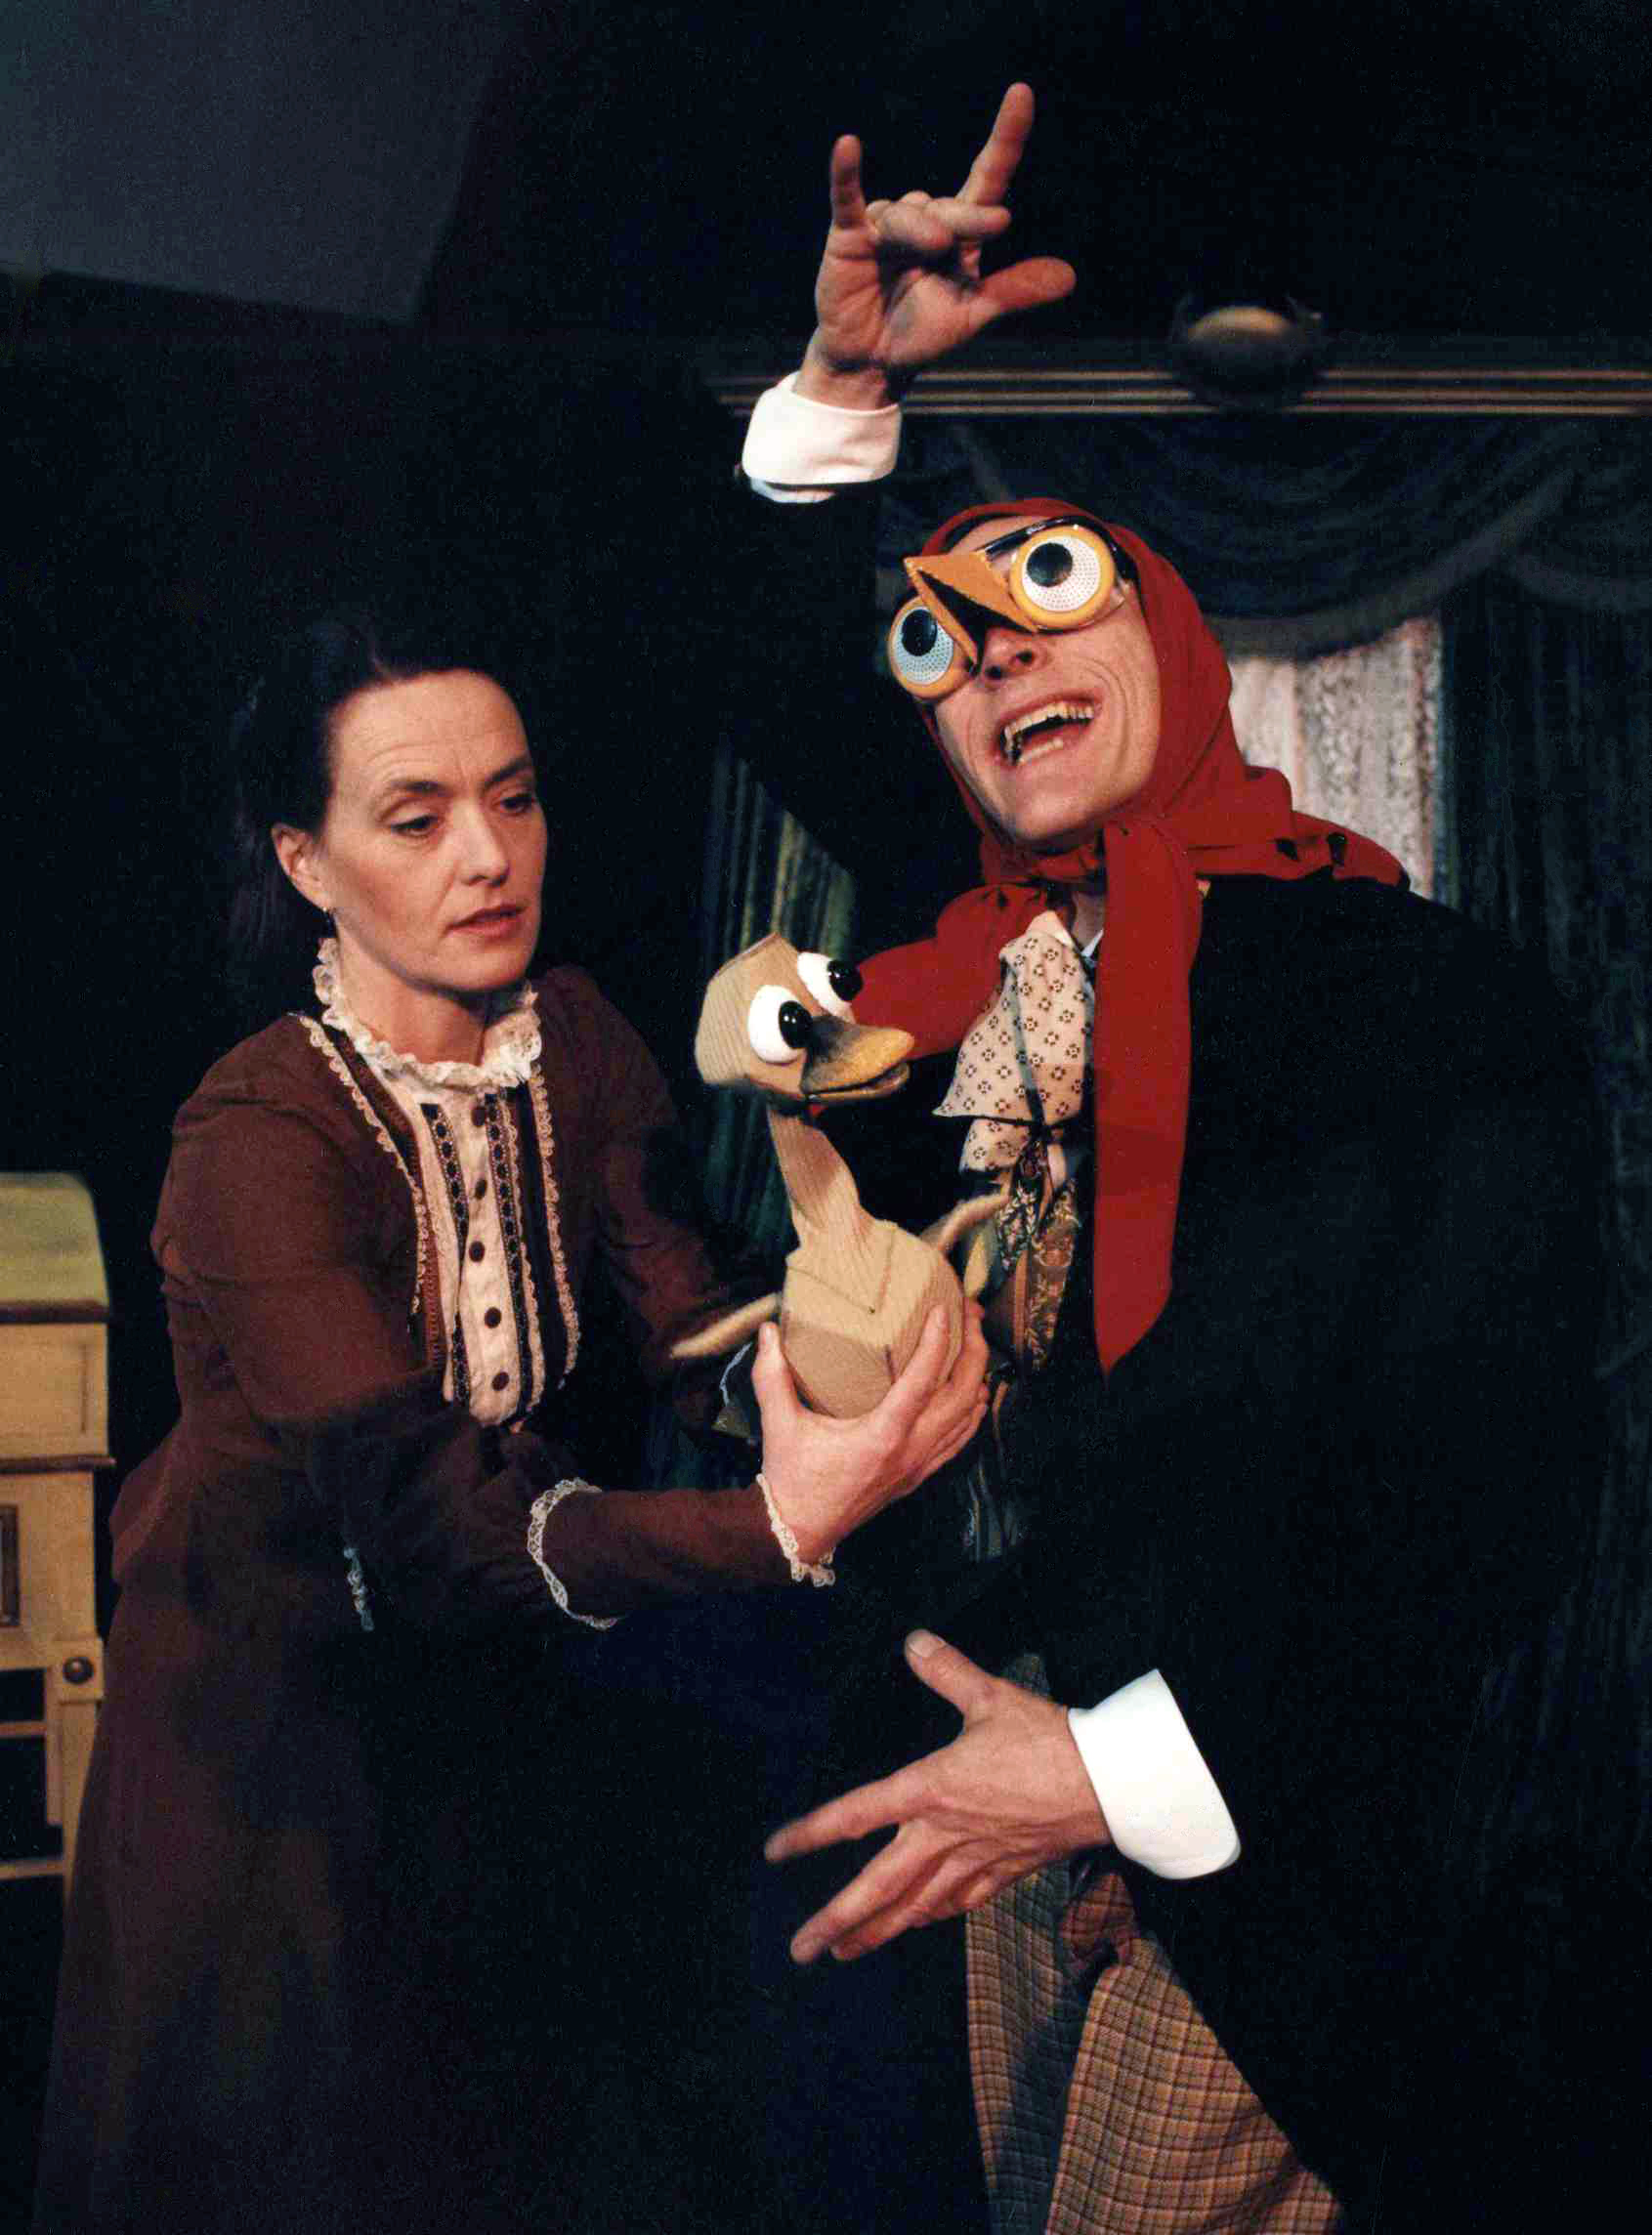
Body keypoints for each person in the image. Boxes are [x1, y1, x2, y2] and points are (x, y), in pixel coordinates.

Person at [742, 87, 1607, 2232]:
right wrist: (847, 383)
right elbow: (759, 660)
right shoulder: (965, 974)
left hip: (1273, 1866)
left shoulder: (1427, 997)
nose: (998, 656)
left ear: (1178, 638)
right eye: (950, 643)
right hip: (991, 1796)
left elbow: (1492, 1497)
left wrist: (1122, 1773)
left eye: (1052, 593)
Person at [30, 608, 988, 2235]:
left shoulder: (578, 1034)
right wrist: (776, 1522)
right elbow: (430, 1517)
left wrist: (838, 1353)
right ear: (308, 863)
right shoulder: (254, 1139)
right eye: (416, 819)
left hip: (498, 1715)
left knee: (504, 2139)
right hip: (272, 1750)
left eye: (516, 796)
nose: (489, 855)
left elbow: (683, 1318)